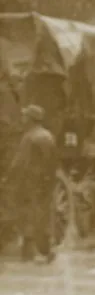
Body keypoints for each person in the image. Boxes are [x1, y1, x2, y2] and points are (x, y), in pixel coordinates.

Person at [6, 105, 59, 263]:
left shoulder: (29, 137)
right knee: (42, 215)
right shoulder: (48, 136)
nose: (22, 119)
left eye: (25, 117)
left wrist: (8, 178)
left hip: (29, 182)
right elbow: (53, 162)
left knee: (27, 215)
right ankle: (46, 250)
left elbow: (19, 163)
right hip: (45, 183)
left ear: (30, 119)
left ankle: (29, 254)